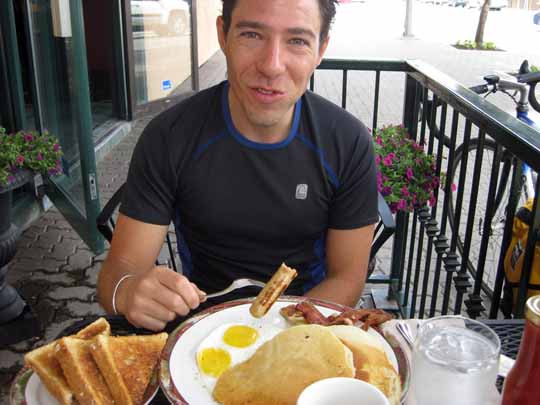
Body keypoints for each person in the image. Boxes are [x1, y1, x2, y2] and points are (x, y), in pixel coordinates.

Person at [97, 0, 378, 331]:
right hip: (200, 326)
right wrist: (129, 292)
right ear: (223, 35)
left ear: (321, 49)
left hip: (302, 323)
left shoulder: (348, 142)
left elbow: (347, 277)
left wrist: (278, 338)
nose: (272, 66)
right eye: (252, 34)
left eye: (298, 41)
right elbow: (118, 272)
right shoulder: (169, 137)